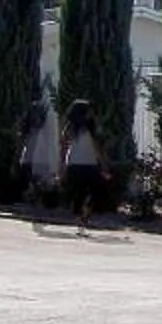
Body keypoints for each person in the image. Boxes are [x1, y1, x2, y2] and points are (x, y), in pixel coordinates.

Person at [59, 99, 106, 231]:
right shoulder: (88, 127)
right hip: (87, 164)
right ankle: (83, 216)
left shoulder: (72, 127)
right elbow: (97, 147)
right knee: (89, 192)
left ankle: (82, 216)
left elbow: (63, 144)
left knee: (84, 192)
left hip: (77, 163)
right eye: (89, 110)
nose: (92, 113)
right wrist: (103, 164)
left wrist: (62, 164)